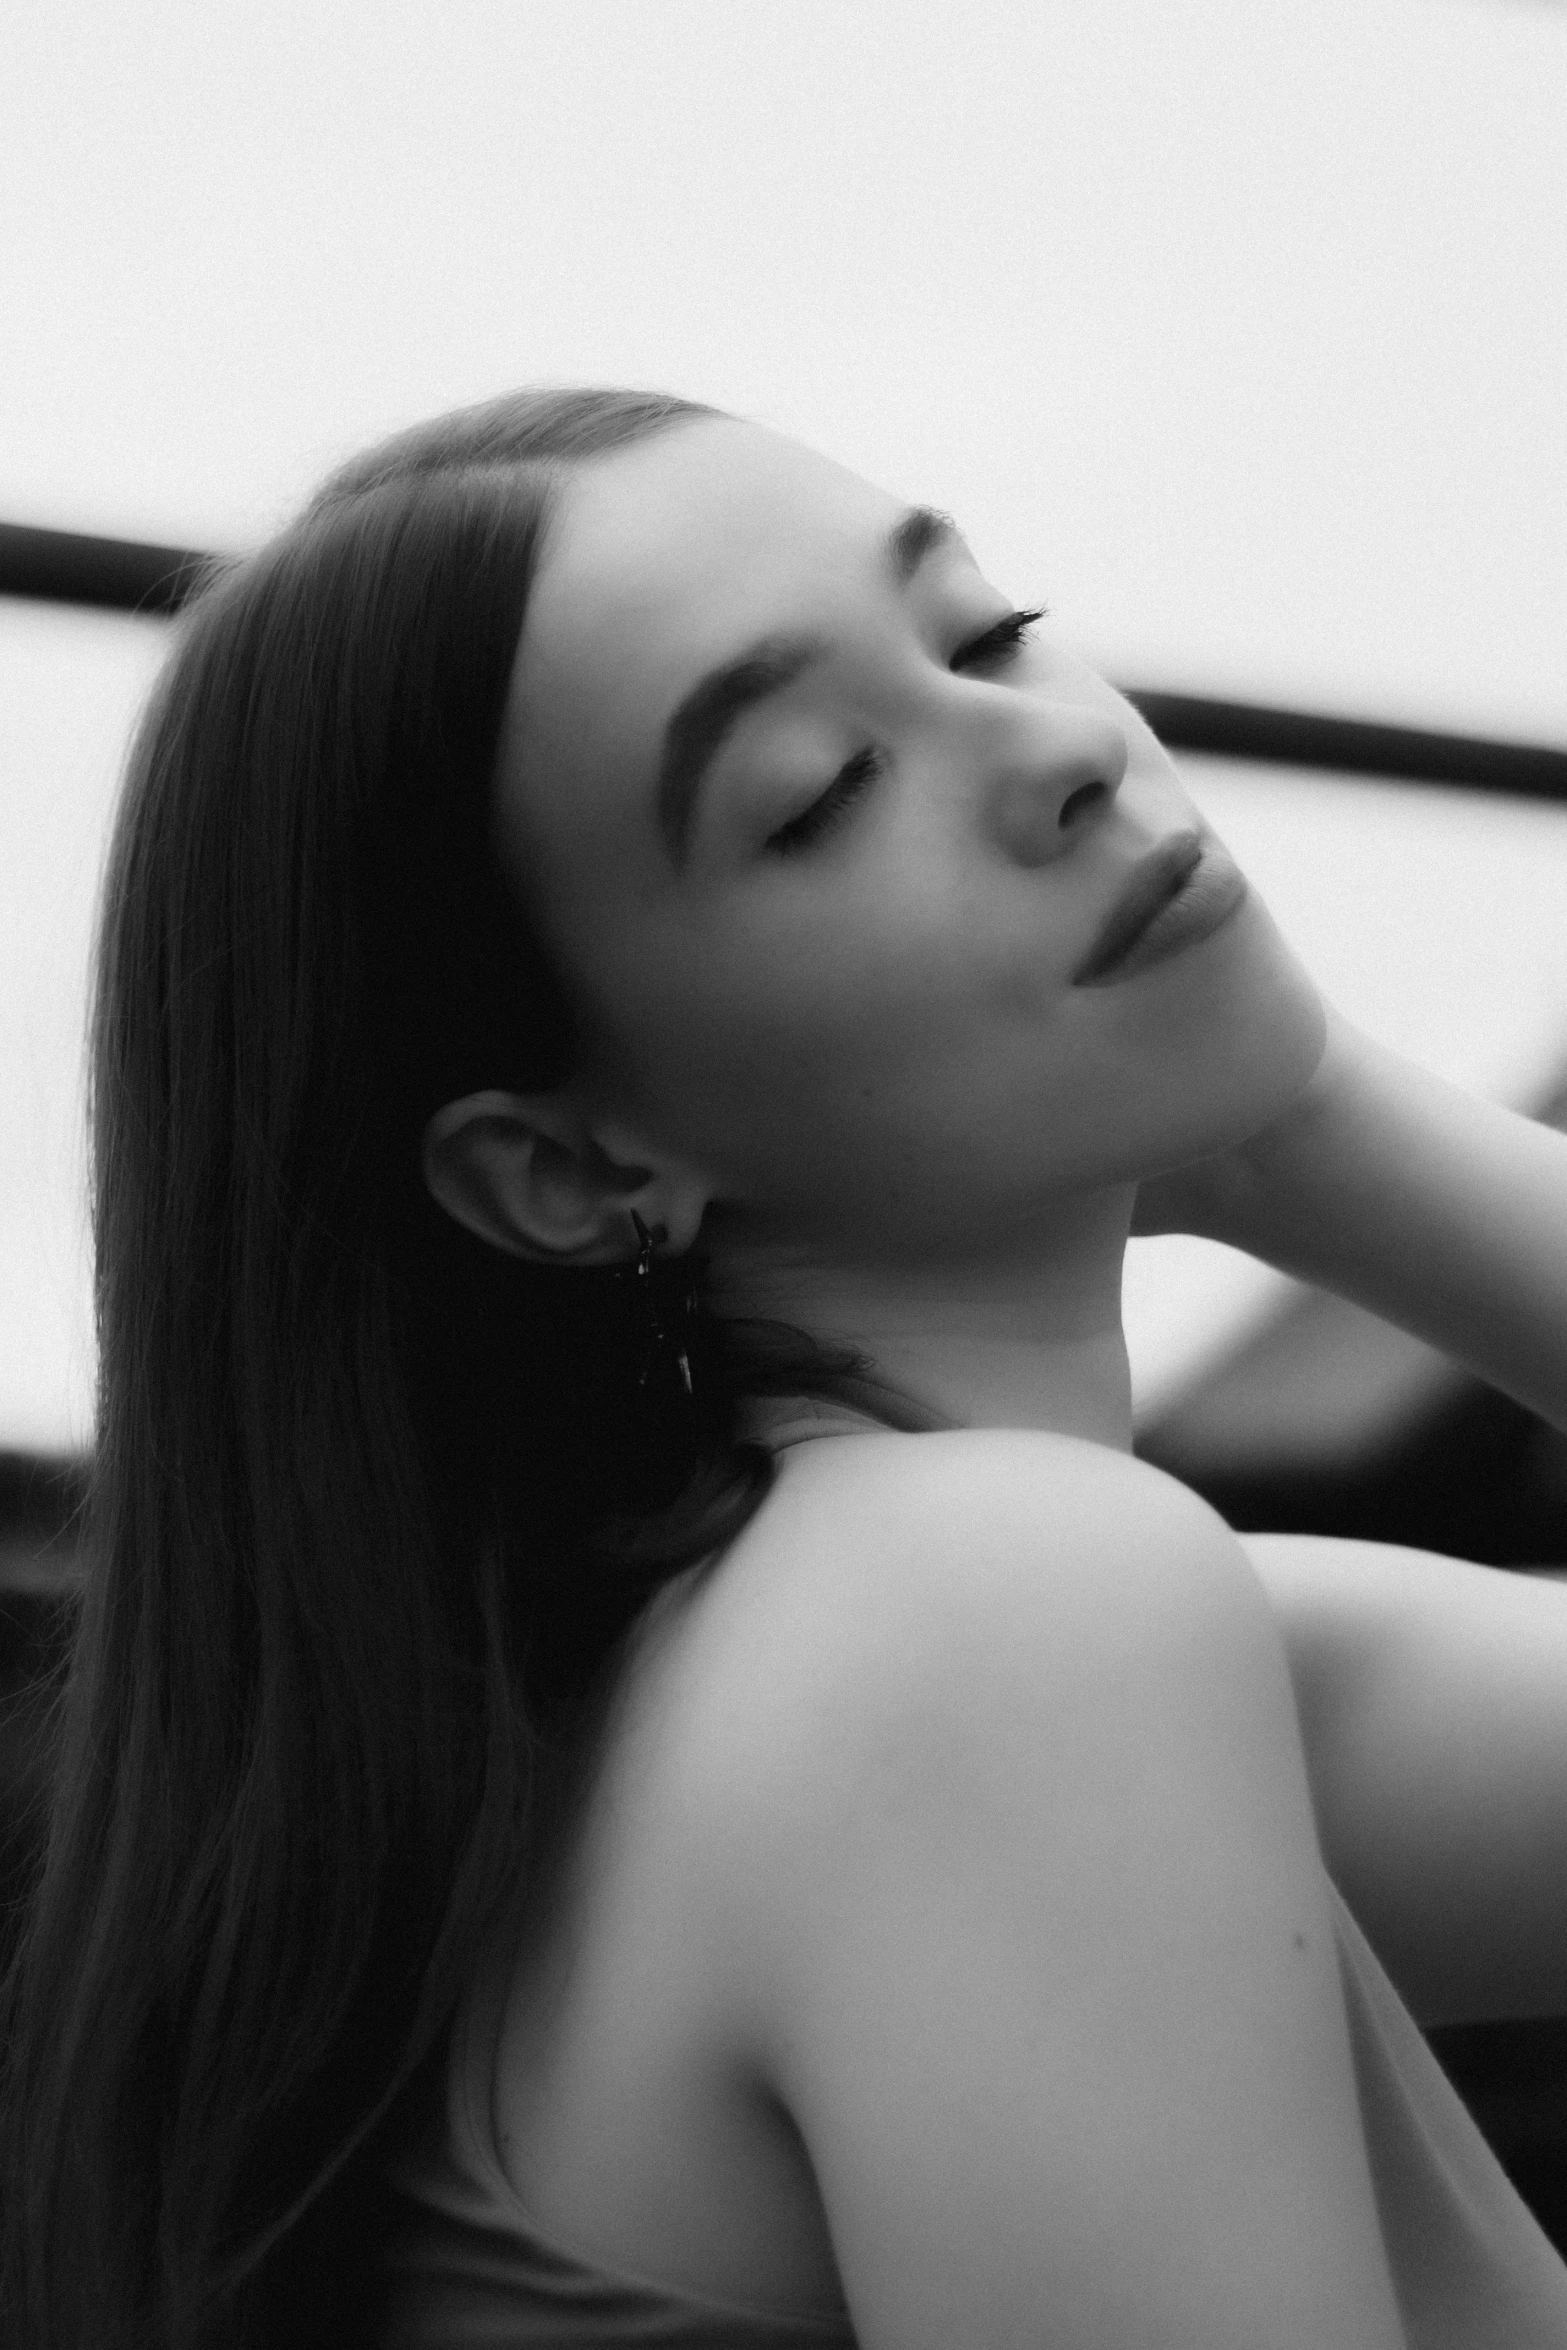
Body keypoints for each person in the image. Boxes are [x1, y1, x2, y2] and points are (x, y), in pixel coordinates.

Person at [2, 385, 1566, 2350]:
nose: (1060, 747)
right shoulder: (990, 1632)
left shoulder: (864, 1669)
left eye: (984, 630)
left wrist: (1303, 1120)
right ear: (567, 1166)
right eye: (821, 785)